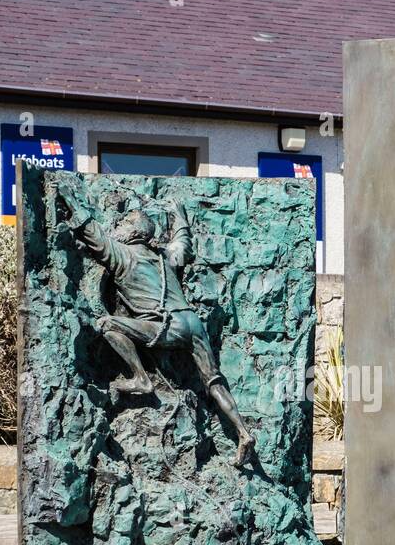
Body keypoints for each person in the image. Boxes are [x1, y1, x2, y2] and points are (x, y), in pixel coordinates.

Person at [60, 191, 256, 467]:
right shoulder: (166, 256)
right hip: (192, 323)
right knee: (214, 381)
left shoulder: (123, 256)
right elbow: (183, 242)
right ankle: (243, 432)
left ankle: (140, 378)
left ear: (132, 233)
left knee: (107, 324)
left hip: (167, 327)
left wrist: (71, 202)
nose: (118, 229)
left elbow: (93, 233)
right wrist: (180, 215)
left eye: (123, 225)